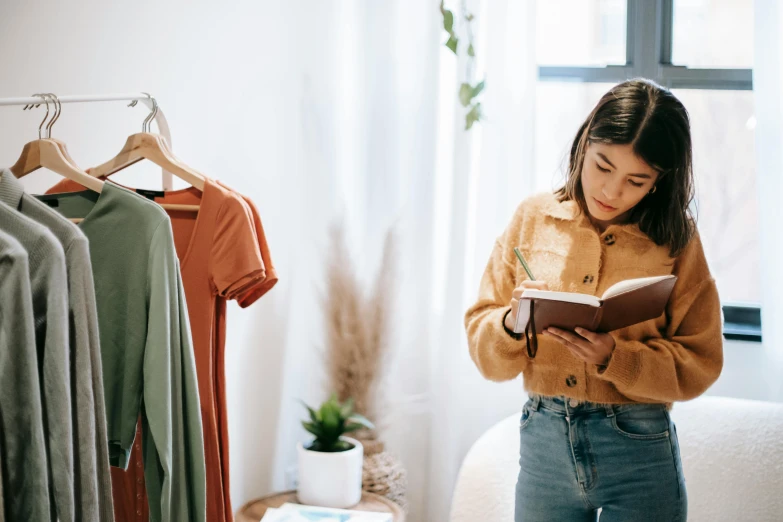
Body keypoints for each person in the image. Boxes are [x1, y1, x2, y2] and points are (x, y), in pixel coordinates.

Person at [464, 78, 724, 522]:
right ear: (585, 143)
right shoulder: (533, 218)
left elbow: (701, 360)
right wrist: (512, 322)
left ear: (660, 182)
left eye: (636, 180)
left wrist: (616, 358)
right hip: (544, 441)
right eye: (602, 166)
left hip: (640, 446)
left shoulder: (676, 238)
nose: (611, 191)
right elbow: (484, 348)